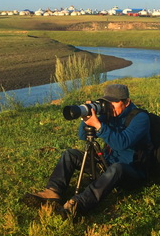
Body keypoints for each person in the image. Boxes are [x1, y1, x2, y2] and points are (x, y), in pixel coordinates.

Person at [26, 84, 152, 217]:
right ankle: (52, 192)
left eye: (114, 102)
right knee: (70, 154)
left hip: (132, 171)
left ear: (127, 102)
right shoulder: (109, 115)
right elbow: (83, 136)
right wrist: (86, 117)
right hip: (107, 165)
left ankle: (79, 205)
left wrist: (98, 125)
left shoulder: (140, 118)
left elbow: (122, 143)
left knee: (117, 168)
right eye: (107, 102)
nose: (110, 106)